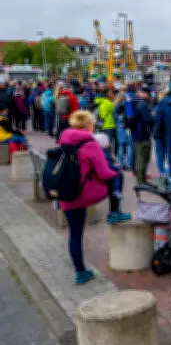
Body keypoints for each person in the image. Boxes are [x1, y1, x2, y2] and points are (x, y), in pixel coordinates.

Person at [57, 111, 121, 285]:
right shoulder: (90, 143)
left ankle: (80, 272)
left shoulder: (63, 139)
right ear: (89, 125)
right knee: (116, 175)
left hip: (66, 194)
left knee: (75, 234)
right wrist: (116, 169)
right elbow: (104, 173)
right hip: (84, 193)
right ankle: (115, 212)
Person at [91, 132, 132, 224]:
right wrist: (116, 168)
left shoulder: (100, 151)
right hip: (103, 182)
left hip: (99, 179)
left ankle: (115, 210)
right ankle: (114, 212)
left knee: (117, 176)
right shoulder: (104, 152)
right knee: (116, 178)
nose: (109, 143)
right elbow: (107, 166)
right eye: (107, 141)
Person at [129, 86, 154, 185]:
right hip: (142, 133)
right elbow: (148, 119)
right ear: (144, 93)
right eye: (148, 94)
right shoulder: (142, 104)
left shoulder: (133, 101)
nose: (148, 96)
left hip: (135, 132)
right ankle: (141, 180)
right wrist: (153, 117)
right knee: (142, 157)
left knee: (139, 156)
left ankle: (141, 179)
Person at [113, 91, 134, 170]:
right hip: (128, 127)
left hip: (119, 126)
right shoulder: (128, 105)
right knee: (130, 146)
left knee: (121, 146)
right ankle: (129, 164)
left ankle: (121, 163)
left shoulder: (116, 106)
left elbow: (114, 118)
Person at [151, 89, 170, 177]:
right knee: (167, 153)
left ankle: (161, 171)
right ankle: (167, 171)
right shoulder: (168, 108)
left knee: (159, 153)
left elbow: (152, 120)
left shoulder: (155, 108)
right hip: (166, 134)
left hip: (157, 133)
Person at [94, 88, 117, 153]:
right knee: (108, 144)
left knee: (101, 143)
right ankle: (108, 158)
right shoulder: (107, 103)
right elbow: (116, 109)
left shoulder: (96, 102)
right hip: (109, 125)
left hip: (99, 125)